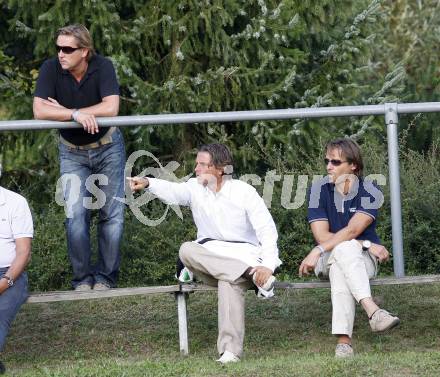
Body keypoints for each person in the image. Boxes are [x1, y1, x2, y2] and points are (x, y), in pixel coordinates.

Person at [128, 143, 281, 364]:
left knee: (228, 281)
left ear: (220, 169)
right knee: (186, 249)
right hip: (215, 262)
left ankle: (230, 352)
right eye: (197, 163)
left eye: (202, 164)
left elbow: (266, 230)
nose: (196, 168)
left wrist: (267, 266)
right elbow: (173, 192)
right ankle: (249, 274)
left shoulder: (244, 191)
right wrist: (148, 182)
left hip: (244, 257)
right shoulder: (194, 187)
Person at [33, 24, 125, 291]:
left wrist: (64, 110)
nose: (61, 53)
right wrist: (74, 114)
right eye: (58, 47)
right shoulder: (51, 69)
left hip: (108, 147)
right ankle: (82, 280)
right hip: (71, 151)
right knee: (75, 214)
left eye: (68, 49)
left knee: (112, 214)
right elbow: (40, 110)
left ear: (84, 51)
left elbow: (112, 107)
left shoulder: (103, 66)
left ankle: (106, 279)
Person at [299, 138, 400, 358]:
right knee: (344, 252)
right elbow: (321, 235)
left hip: (361, 260)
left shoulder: (370, 190)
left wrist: (322, 248)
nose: (328, 166)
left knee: (342, 262)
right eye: (327, 161)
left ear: (353, 165)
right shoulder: (318, 190)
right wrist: (364, 243)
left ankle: (344, 344)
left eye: (335, 162)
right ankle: (373, 311)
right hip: (329, 256)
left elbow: (354, 229)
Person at [0, 167, 33, 375]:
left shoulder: (15, 202)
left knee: (0, 312)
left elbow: (23, 253)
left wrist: (5, 281)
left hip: (11, 274)